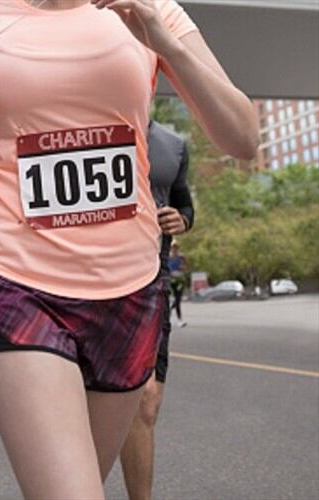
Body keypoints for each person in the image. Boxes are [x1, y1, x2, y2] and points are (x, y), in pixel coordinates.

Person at [0, 0, 257, 495]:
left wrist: (163, 43)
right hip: (14, 281)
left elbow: (243, 138)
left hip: (129, 290)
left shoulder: (153, 9)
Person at [120, 120, 194, 500]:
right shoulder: (81, 124)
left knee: (145, 402)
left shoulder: (171, 143)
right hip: (82, 279)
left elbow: (184, 204)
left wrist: (180, 221)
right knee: (90, 403)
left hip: (151, 279)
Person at [168, 241, 187, 328]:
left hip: (179, 280)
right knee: (172, 299)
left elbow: (185, 267)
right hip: (171, 280)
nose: (175, 249)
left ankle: (179, 320)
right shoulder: (168, 258)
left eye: (176, 248)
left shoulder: (181, 258)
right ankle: (169, 315)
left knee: (178, 300)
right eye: (173, 247)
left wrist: (182, 268)